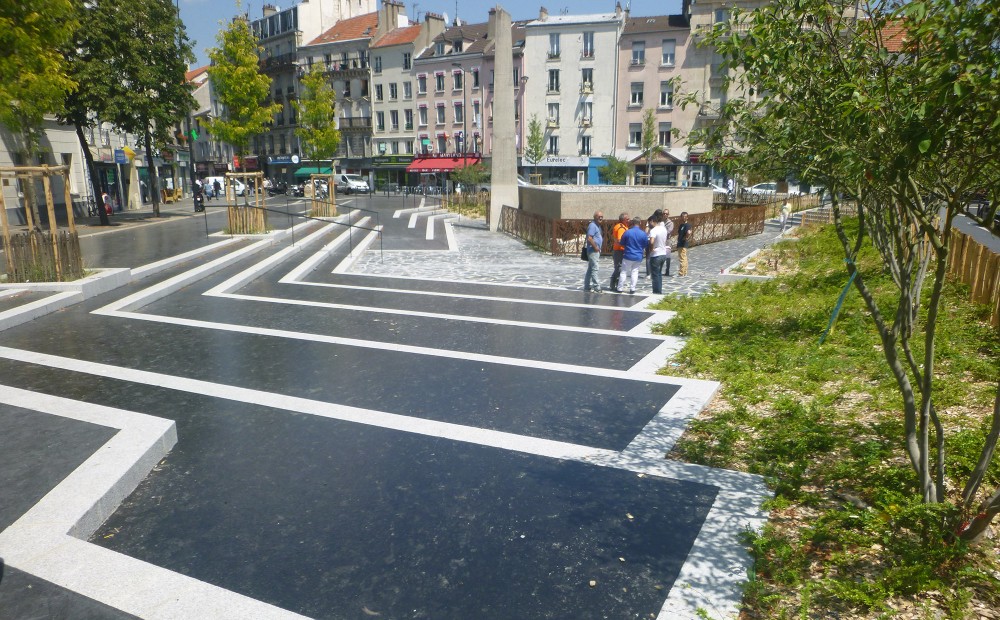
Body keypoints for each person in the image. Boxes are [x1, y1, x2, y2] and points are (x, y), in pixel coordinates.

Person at [617, 217, 646, 294]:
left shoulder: (628, 232)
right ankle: (632, 289)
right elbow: (645, 244)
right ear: (640, 223)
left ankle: (620, 288)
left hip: (628, 255)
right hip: (638, 256)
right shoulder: (643, 234)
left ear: (632, 223)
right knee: (635, 272)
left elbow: (622, 243)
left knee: (623, 272)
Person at [648, 212, 671, 294]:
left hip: (656, 255)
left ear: (652, 221)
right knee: (659, 274)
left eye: (649, 222)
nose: (649, 224)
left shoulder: (653, 230)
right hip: (663, 253)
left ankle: (656, 292)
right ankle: (659, 290)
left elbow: (651, 242)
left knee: (655, 275)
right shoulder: (663, 229)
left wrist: (651, 249)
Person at [583, 211, 604, 293]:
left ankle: (587, 286)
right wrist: (595, 247)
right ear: (595, 217)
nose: (601, 218)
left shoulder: (597, 226)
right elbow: (589, 238)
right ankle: (597, 287)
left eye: (602, 216)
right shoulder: (592, 226)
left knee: (590, 269)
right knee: (595, 268)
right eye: (599, 216)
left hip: (595, 250)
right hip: (593, 250)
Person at [609, 212, 629, 291]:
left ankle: (615, 283)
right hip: (619, 250)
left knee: (618, 267)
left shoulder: (623, 226)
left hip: (619, 250)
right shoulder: (621, 228)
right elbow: (620, 240)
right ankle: (615, 283)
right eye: (627, 219)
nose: (629, 220)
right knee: (619, 268)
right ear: (623, 220)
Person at [677, 212, 693, 276]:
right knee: (684, 258)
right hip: (680, 243)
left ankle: (681, 272)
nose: (684, 217)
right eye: (683, 216)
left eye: (685, 216)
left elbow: (689, 232)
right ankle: (684, 272)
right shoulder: (681, 225)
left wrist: (686, 237)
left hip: (683, 244)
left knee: (682, 258)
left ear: (687, 217)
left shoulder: (687, 225)